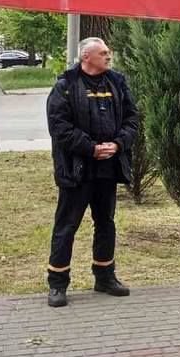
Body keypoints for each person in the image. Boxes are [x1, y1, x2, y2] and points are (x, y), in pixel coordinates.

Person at [45, 37, 139, 308]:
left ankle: (105, 277)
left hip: (108, 170)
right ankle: (58, 283)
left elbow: (133, 119)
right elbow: (59, 127)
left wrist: (118, 143)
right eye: (103, 53)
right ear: (86, 57)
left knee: (106, 223)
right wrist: (91, 149)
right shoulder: (65, 87)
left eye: (108, 52)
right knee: (67, 226)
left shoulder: (117, 83)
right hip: (77, 171)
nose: (109, 56)